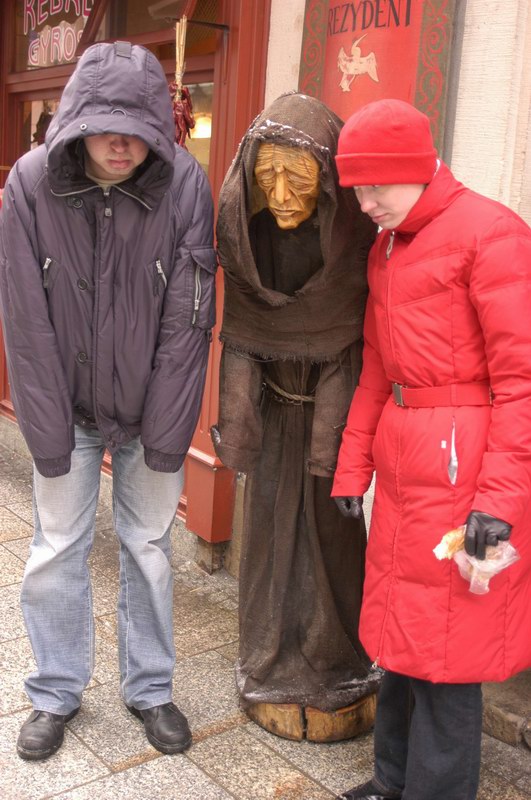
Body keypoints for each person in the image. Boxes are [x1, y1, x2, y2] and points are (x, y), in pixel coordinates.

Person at [0, 41, 216, 760]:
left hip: (152, 399)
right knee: (56, 547)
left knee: (148, 545)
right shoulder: (31, 183)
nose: (122, 144)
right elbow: (24, 317)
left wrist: (165, 427)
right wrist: (47, 429)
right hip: (65, 403)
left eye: (138, 129)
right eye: (105, 127)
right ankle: (55, 690)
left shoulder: (183, 184)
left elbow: (189, 319)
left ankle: (150, 687)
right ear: (77, 121)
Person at [331, 98, 531, 800]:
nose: (364, 203)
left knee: (447, 652)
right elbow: (377, 369)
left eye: (374, 186)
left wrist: (499, 501)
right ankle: (393, 780)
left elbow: (522, 381)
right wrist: (352, 468)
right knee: (401, 635)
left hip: (465, 470)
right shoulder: (388, 246)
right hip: (404, 464)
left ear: (417, 168)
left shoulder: (492, 234)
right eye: (356, 188)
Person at [212, 93, 380, 738]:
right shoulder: (251, 244)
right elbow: (244, 333)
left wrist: (341, 447)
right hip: (274, 415)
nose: (281, 196)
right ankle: (269, 653)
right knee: (267, 537)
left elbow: (351, 338)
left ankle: (336, 657)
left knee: (333, 542)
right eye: (267, 177)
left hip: (335, 422)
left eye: (300, 179)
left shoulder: (352, 246)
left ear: (331, 182)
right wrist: (240, 428)